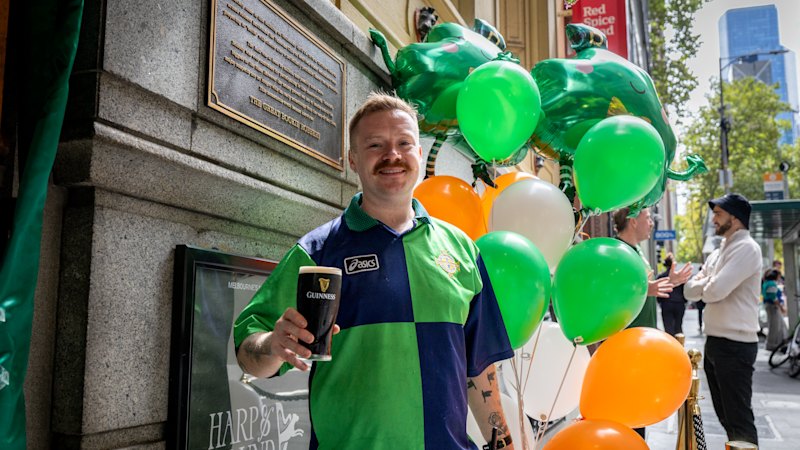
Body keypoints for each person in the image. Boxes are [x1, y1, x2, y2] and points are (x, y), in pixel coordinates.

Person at [233, 93, 516, 450]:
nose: (392, 155)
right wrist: (274, 345)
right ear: (353, 159)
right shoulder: (318, 252)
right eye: (375, 145)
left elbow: (479, 370)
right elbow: (247, 354)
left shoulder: (462, 250)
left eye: (404, 143)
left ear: (418, 154)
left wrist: (503, 443)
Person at [684, 193, 762, 446]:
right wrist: (710, 284)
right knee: (725, 417)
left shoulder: (747, 248)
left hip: (737, 345)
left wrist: (707, 285)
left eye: (719, 214)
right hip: (716, 342)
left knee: (738, 418)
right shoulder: (719, 252)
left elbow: (715, 291)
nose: (714, 219)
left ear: (736, 218)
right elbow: (689, 290)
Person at [612, 207, 691, 439]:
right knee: (628, 411)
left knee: (639, 410)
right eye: (647, 217)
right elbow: (613, 293)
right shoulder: (618, 251)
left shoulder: (637, 251)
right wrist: (648, 288)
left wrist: (668, 280)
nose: (651, 222)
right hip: (626, 345)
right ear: (633, 221)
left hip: (641, 343)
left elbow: (644, 287)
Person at [656, 253, 688, 336]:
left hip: (666, 303)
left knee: (668, 328)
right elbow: (684, 290)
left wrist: (660, 301)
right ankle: (679, 345)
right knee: (678, 327)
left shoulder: (661, 276)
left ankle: (671, 346)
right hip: (679, 303)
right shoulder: (679, 276)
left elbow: (658, 292)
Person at [763, 269, 788, 351]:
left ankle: (779, 343)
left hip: (770, 306)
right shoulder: (772, 284)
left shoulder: (766, 283)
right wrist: (781, 307)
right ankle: (771, 345)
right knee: (774, 326)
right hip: (772, 306)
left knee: (778, 325)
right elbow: (773, 298)